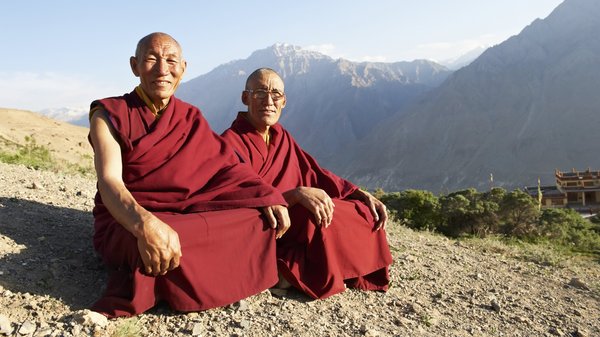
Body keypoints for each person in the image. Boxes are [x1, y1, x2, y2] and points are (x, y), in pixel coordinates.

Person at [88, 34, 290, 317]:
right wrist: (144, 223)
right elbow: (110, 182)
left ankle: (187, 272)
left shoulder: (190, 117)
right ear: (135, 66)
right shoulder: (109, 114)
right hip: (128, 217)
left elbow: (226, 168)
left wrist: (265, 195)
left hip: (183, 214)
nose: (162, 69)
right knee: (149, 242)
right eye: (151, 59)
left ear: (182, 68)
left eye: (171, 61)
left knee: (255, 220)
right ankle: (191, 277)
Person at [221, 68, 393, 299]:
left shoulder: (281, 137)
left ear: (284, 101)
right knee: (312, 215)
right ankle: (288, 269)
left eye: (276, 95)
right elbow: (237, 194)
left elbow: (314, 172)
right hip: (266, 223)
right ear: (245, 98)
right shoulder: (229, 143)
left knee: (362, 212)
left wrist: (358, 193)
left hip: (291, 213)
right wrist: (293, 195)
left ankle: (309, 269)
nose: (268, 101)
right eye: (260, 93)